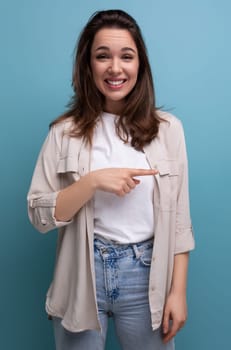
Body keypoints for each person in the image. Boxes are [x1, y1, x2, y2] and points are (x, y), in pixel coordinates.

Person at [27, 9, 195, 350]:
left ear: (140, 66)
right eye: (102, 56)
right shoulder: (63, 132)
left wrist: (178, 292)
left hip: (147, 276)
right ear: (88, 65)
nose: (115, 68)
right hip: (81, 276)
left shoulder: (168, 130)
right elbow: (39, 216)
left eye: (126, 57)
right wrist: (92, 182)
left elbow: (180, 220)